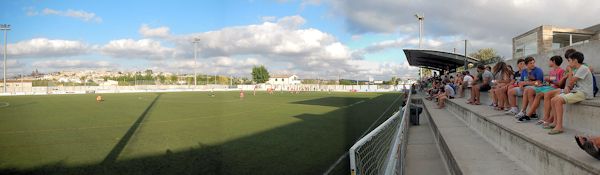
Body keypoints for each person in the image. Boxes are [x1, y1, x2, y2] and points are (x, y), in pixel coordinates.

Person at [548, 51, 594, 135]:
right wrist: (568, 87)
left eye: (569, 60)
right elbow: (571, 83)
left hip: (584, 93)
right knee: (553, 99)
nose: (568, 63)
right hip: (577, 91)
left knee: (558, 100)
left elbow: (572, 80)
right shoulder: (577, 69)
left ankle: (559, 126)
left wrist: (569, 71)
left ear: (575, 61)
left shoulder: (583, 68)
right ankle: (555, 122)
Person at [522, 56, 564, 123]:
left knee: (537, 93)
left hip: (555, 89)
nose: (548, 62)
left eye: (550, 61)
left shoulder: (561, 71)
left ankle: (544, 117)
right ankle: (529, 114)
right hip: (548, 87)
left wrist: (550, 81)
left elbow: (560, 84)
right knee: (537, 94)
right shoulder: (551, 71)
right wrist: (545, 83)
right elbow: (550, 82)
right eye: (531, 63)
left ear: (553, 62)